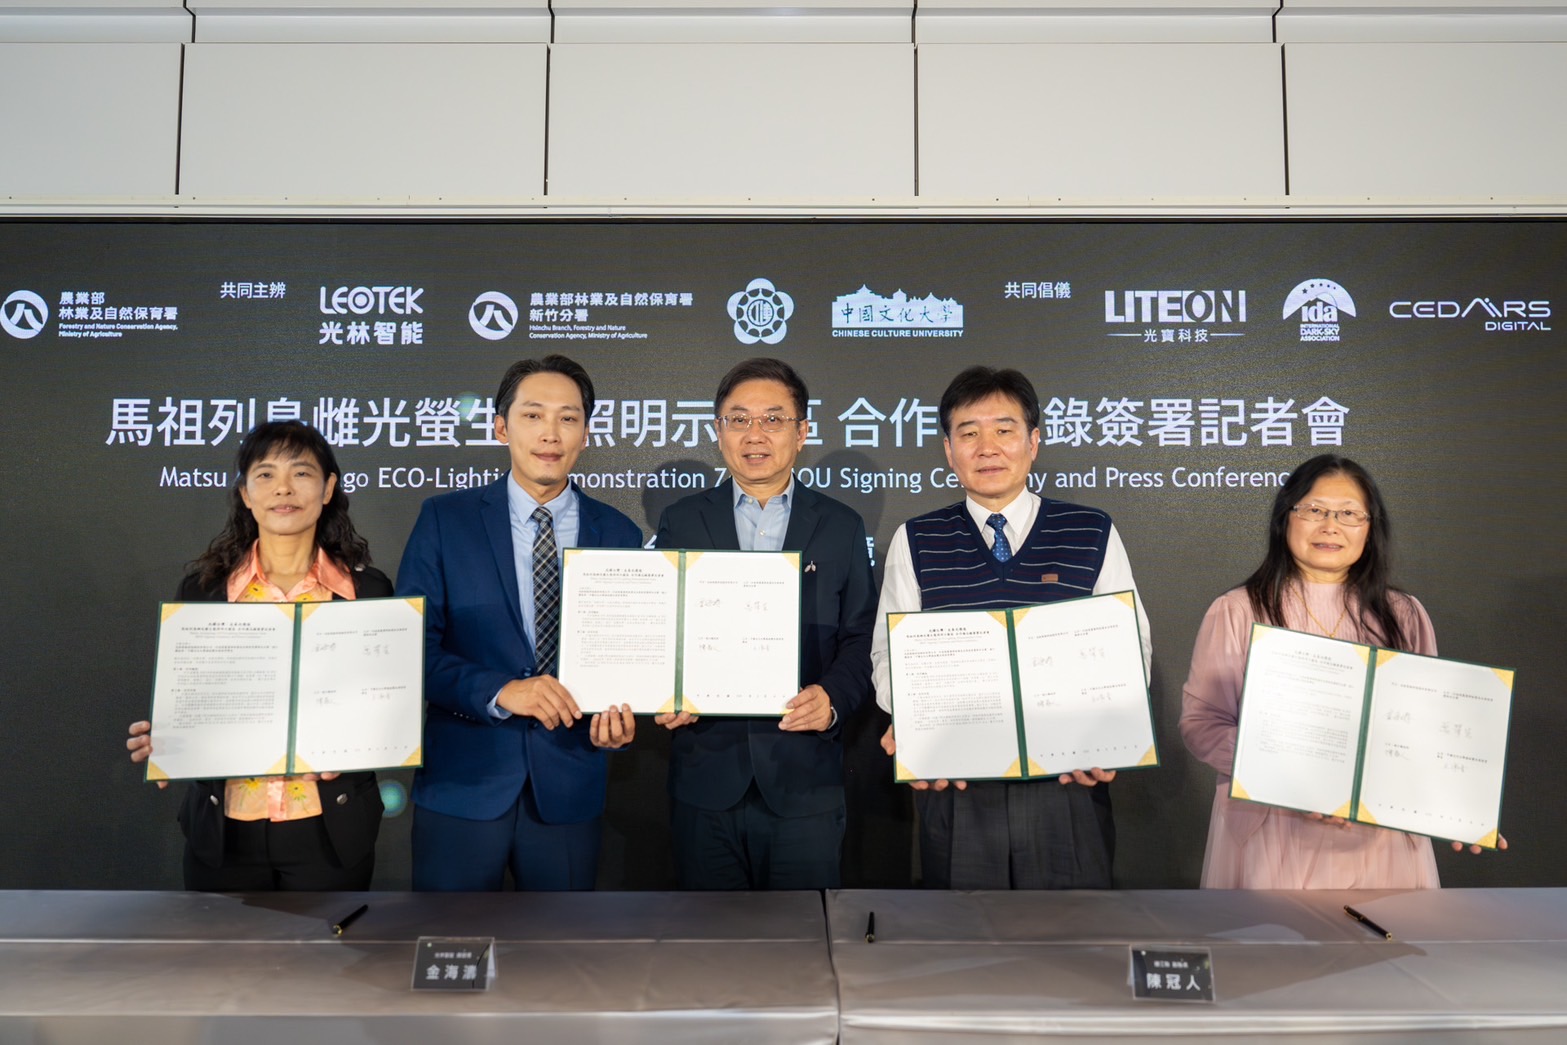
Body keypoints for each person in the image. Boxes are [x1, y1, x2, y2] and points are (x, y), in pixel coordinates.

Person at [872, 365, 1152, 889]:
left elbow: (1130, 644)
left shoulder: (1090, 530)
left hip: (1067, 777)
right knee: (966, 950)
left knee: (1071, 947)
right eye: (969, 433)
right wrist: (915, 722)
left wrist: (1108, 737)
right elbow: (888, 656)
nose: (987, 447)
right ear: (948, 450)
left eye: (1004, 430)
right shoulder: (917, 539)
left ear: (1034, 442)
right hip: (956, 782)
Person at [1179, 454, 1504, 888]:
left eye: (1350, 514)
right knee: (1272, 954)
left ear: (1371, 529)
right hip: (1273, 826)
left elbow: (1429, 732)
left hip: (1377, 836)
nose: (1331, 525)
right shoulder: (1237, 610)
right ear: (1285, 518)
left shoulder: (1403, 614)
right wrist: (1289, 773)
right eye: (1314, 510)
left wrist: (1459, 807)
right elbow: (1203, 725)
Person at [396, 355, 639, 891]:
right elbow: (409, 650)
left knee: (562, 962)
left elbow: (631, 659)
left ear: (586, 432)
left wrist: (619, 723)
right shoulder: (446, 521)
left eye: (568, 418)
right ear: (502, 426)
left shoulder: (620, 533)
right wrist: (503, 691)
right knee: (448, 954)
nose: (550, 433)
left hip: (570, 786)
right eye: (533, 415)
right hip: (463, 785)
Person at [126, 420, 390, 890]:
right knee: (222, 964)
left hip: (328, 828)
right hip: (225, 832)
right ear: (245, 493)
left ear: (328, 488)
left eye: (302, 473)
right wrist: (168, 739)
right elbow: (193, 698)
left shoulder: (367, 591)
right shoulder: (204, 591)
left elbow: (382, 704)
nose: (283, 488)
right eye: (265, 474)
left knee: (327, 964)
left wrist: (359, 744)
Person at [652, 357, 875, 890]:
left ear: (801, 433)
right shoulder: (682, 520)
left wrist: (833, 699)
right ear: (718, 432)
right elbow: (661, 628)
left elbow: (862, 636)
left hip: (804, 781)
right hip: (706, 773)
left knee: (804, 953)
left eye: (773, 420)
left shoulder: (841, 525)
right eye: (739, 419)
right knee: (710, 954)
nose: (755, 435)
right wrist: (664, 688)